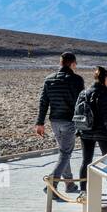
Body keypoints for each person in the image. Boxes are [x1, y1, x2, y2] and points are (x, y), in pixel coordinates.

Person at [35, 51, 84, 194]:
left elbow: (44, 102)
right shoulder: (77, 80)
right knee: (65, 152)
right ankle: (52, 184)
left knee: (64, 152)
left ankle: (69, 184)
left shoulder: (49, 79)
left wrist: (40, 123)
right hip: (69, 121)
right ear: (73, 63)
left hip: (54, 121)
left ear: (60, 63)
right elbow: (81, 103)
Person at [76, 66, 107, 193]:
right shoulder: (104, 94)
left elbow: (77, 113)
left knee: (86, 160)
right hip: (102, 132)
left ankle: (83, 191)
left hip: (85, 130)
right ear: (105, 79)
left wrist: (78, 130)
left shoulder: (84, 93)